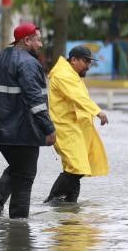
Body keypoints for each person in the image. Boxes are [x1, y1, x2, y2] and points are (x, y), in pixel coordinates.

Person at [0, 23, 56, 219]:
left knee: (17, 169)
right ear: (27, 40)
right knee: (25, 176)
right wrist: (48, 128)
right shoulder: (29, 64)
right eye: (38, 39)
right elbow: (36, 100)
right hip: (24, 133)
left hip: (3, 133)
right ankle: (19, 226)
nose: (40, 44)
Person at [43, 45, 109, 204]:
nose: (89, 65)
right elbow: (78, 97)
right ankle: (52, 201)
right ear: (73, 60)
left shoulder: (71, 74)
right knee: (77, 167)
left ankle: (70, 206)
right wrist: (98, 112)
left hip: (75, 129)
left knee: (75, 169)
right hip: (65, 129)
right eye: (86, 61)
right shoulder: (63, 75)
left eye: (90, 62)